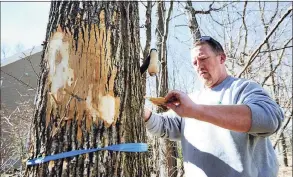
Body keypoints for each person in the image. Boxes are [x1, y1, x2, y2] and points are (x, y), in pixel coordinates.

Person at [144, 36, 284, 177]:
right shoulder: (192, 100)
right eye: (194, 62)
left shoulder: (242, 88)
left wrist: (196, 111)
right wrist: (144, 114)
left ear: (222, 58)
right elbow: (164, 125)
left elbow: (269, 119)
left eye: (203, 58)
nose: (198, 65)